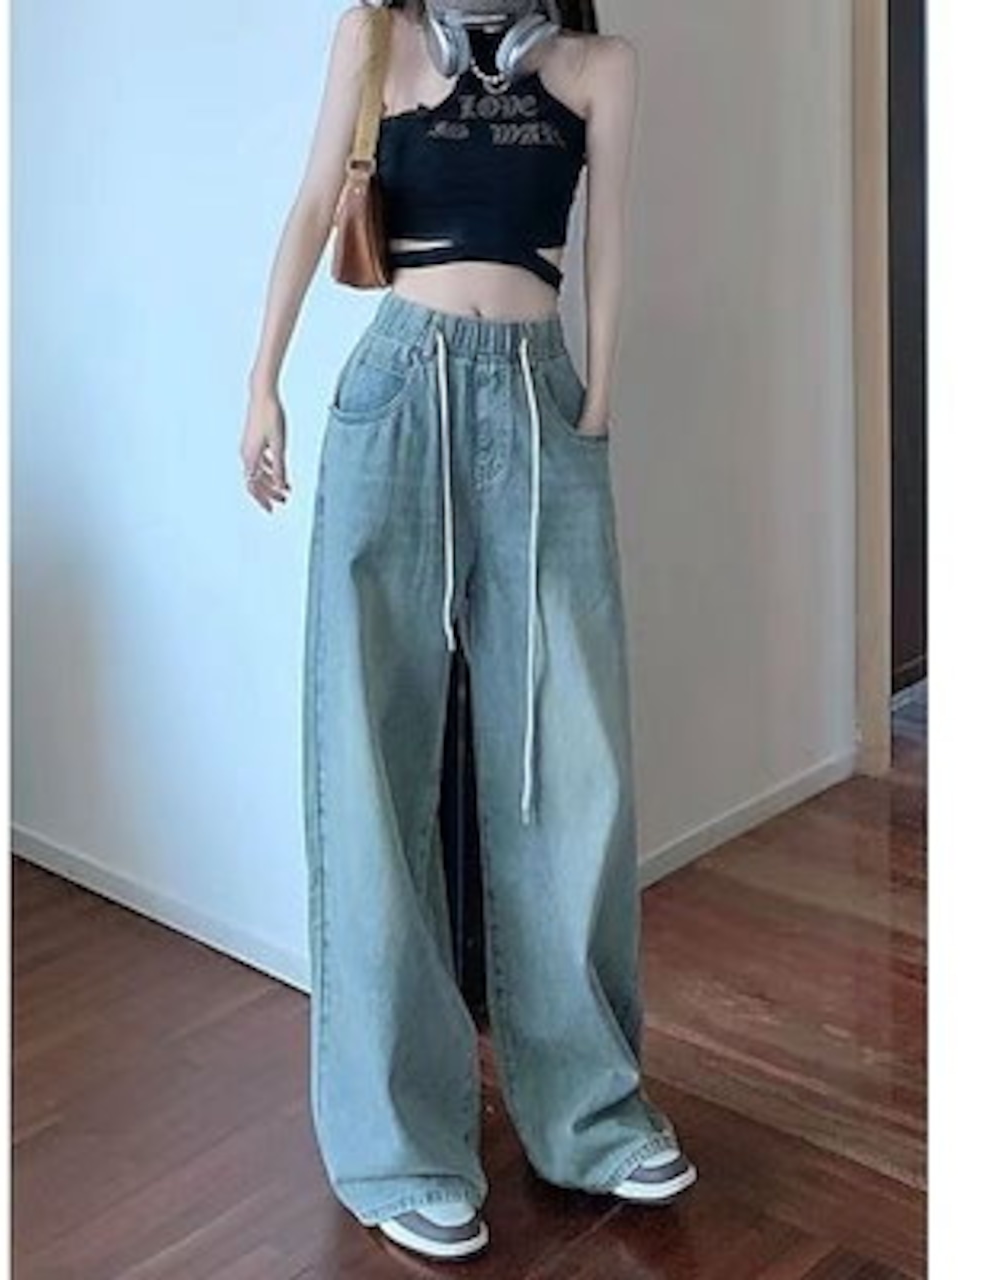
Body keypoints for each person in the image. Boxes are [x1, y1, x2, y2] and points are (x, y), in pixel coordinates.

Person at [239, 0, 696, 1262]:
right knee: (369, 759)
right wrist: (261, 383)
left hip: (542, 405)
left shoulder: (597, 68)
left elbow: (609, 239)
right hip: (398, 391)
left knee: (570, 761)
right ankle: (395, 1141)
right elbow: (309, 199)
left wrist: (596, 402)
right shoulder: (374, 38)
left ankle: (589, 1111)